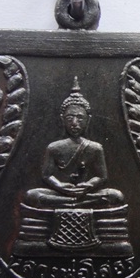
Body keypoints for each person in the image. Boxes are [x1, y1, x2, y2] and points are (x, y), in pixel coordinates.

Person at [25, 76, 123, 209]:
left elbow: (102, 176)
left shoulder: (95, 148)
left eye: (80, 118)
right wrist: (60, 186)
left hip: (86, 193)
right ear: (62, 119)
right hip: (60, 193)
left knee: (116, 196)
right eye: (70, 118)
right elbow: (47, 175)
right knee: (32, 195)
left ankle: (70, 203)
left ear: (88, 119)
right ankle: (75, 203)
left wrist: (87, 186)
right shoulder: (54, 147)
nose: (74, 123)